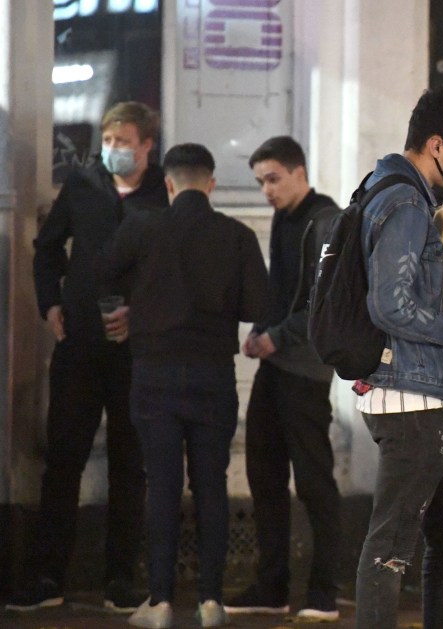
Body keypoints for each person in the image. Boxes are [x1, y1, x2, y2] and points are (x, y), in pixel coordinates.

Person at [101, 143, 269, 629]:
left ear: (169, 184)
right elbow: (258, 304)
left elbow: (99, 273)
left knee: (162, 485)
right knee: (211, 485)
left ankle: (158, 602)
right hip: (213, 375)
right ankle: (211, 601)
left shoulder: (141, 227)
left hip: (153, 372)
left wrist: (124, 309)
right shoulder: (236, 235)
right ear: (211, 184)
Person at [352, 86, 443, 628]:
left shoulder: (387, 189)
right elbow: (389, 303)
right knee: (391, 545)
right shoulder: (406, 204)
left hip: (409, 387)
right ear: (437, 144)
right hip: (409, 392)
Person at [8, 101, 167, 613]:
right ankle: (48, 575)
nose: (115, 150)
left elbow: (174, 270)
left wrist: (142, 313)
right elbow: (49, 246)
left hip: (137, 352)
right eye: (109, 140)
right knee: (64, 459)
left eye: (125, 142)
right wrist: (51, 304)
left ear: (147, 146)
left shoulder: (162, 194)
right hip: (78, 345)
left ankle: (121, 577)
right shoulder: (82, 185)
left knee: (130, 461)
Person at [224, 136, 343, 621]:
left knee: (314, 482)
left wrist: (281, 335)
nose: (266, 191)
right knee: (264, 475)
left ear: (298, 171)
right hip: (277, 365)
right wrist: (260, 332)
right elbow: (281, 288)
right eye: (260, 182)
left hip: (307, 368)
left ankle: (323, 593)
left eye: (272, 179)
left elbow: (326, 299)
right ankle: (272, 586)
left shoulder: (327, 220)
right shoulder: (284, 217)